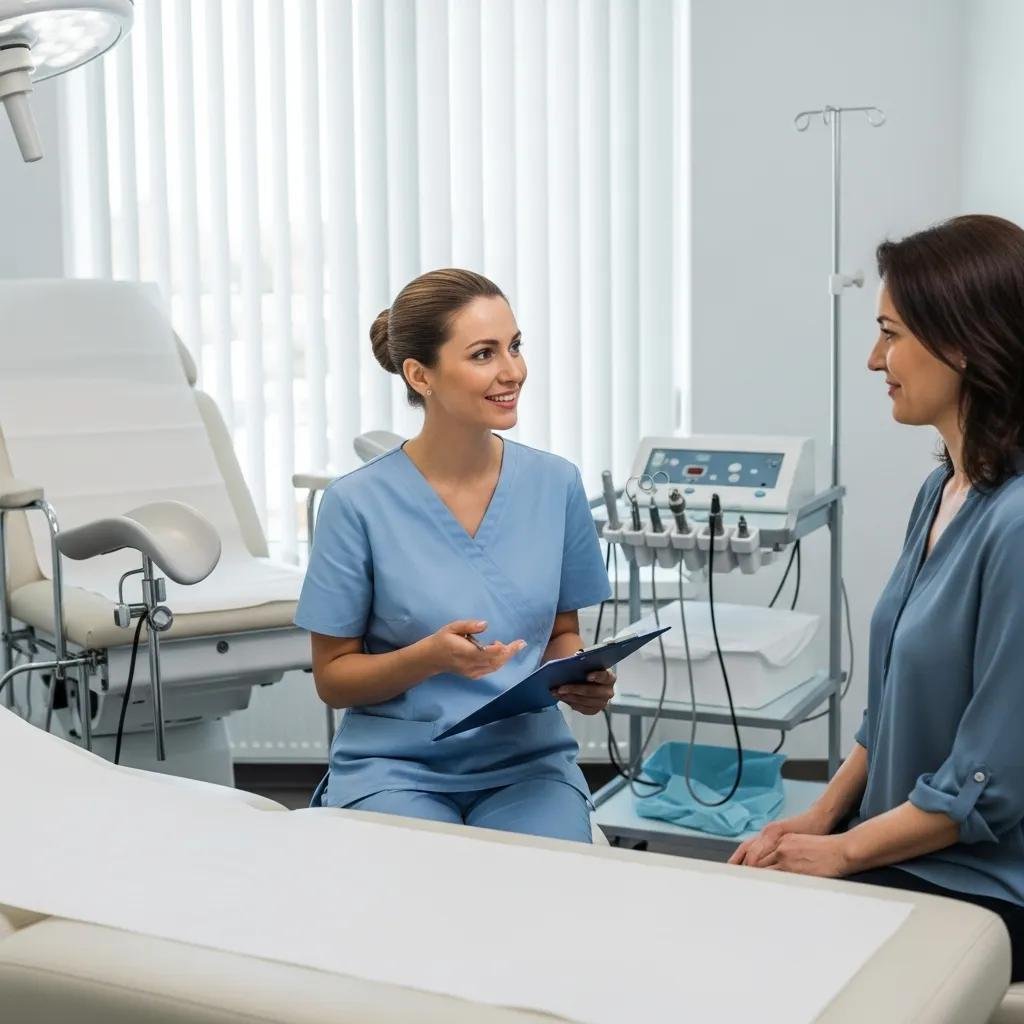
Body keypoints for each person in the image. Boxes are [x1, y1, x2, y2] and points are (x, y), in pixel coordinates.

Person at [729, 214, 1024, 980]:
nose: (873, 359)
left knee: (761, 951)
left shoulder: (1019, 525)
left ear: (962, 342)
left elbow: (987, 789)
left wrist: (843, 852)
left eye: (890, 333)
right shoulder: (943, 491)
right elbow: (890, 705)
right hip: (908, 842)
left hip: (988, 879)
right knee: (737, 894)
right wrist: (821, 815)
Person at [295, 268, 614, 843]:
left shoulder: (556, 484)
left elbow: (563, 633)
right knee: (431, 898)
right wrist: (429, 659)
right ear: (420, 375)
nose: (512, 371)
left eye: (514, 346)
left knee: (543, 896)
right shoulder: (356, 504)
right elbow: (334, 679)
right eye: (483, 354)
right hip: (396, 767)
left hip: (527, 765)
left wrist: (582, 679)